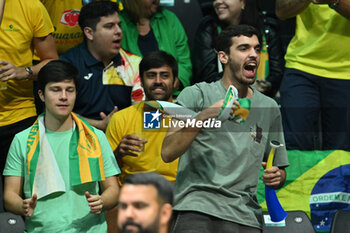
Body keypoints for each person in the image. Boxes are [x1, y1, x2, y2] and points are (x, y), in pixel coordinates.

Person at [161, 25, 289, 232]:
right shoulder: (194, 95)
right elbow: (167, 152)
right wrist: (204, 115)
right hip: (197, 208)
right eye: (244, 48)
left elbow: (280, 170)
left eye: (257, 49)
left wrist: (277, 176)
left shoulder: (270, 108)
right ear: (223, 57)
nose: (253, 55)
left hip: (245, 215)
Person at [3, 60, 120, 232]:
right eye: (56, 90)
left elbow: (113, 190)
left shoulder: (95, 137)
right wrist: (22, 206)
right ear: (42, 95)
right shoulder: (22, 140)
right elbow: (9, 195)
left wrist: (102, 201)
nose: (64, 96)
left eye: (69, 90)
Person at [275, 0, 350, 150]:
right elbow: (281, 11)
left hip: (345, 71)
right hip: (301, 65)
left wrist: (335, 1)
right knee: (294, 144)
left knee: (342, 150)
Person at [60, 1, 143, 131]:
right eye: (110, 26)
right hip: (77, 139)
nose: (119, 32)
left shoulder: (134, 64)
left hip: (124, 136)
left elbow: (141, 113)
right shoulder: (67, 65)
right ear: (89, 33)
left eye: (119, 25)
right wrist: (98, 125)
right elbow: (56, 114)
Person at [0, 0, 58, 178]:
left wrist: (24, 72)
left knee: (23, 197)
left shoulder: (30, 6)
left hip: (17, 115)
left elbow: (52, 61)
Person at [106, 50, 179, 183]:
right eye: (151, 75)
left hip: (176, 193)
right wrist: (118, 153)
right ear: (141, 81)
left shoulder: (187, 119)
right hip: (133, 194)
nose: (158, 81)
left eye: (164, 75)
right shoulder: (121, 119)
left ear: (175, 82)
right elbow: (106, 170)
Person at [192, 0, 284, 98]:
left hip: (262, 98)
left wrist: (266, 85)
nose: (218, 2)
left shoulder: (267, 28)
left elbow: (277, 72)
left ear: (243, 3)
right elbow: (206, 75)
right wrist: (245, 88)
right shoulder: (209, 28)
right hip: (219, 98)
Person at [119, 0, 192, 94]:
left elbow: (185, 63)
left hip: (171, 97)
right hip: (132, 99)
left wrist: (171, 84)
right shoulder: (118, 22)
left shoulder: (170, 19)